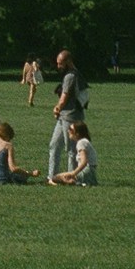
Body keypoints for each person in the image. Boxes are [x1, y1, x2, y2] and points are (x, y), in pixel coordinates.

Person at [46, 49, 85, 180]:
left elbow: (64, 97)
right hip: (64, 116)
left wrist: (57, 108)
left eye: (61, 63)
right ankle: (52, 177)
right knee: (54, 145)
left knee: (71, 149)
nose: (58, 67)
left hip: (71, 116)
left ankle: (71, 177)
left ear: (68, 61)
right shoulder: (74, 73)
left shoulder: (71, 76)